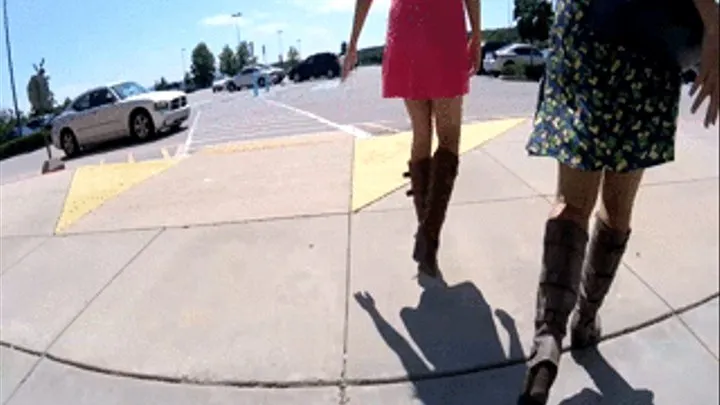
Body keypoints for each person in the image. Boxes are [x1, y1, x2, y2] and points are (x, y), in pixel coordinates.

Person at [519, 0, 719, 404]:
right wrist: (714, 24)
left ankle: (547, 344)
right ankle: (586, 321)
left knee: (571, 202)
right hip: (646, 40)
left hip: (583, 29)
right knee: (617, 206)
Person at [342, 0, 482, 277]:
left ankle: (425, 236)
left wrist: (353, 43)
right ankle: (428, 239)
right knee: (449, 138)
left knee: (421, 133)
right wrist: (477, 33)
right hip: (443, 25)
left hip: (406, 28)